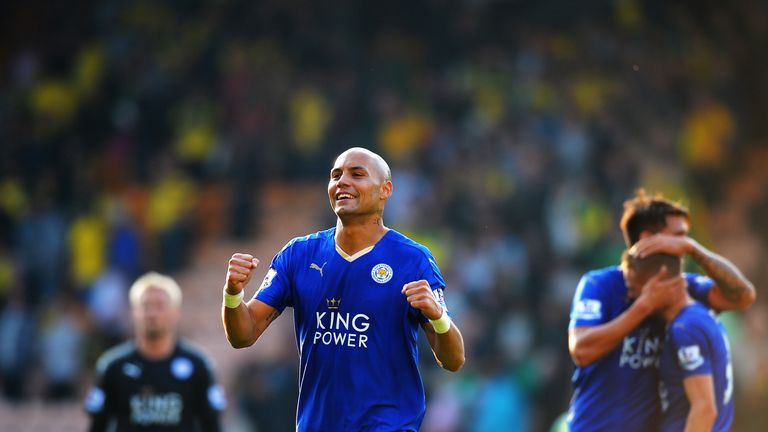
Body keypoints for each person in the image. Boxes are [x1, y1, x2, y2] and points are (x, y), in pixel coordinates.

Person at [221, 147, 465, 431]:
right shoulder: (299, 254)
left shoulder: (413, 260)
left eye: (357, 174)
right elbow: (243, 334)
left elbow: (454, 359)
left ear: (385, 189)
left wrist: (437, 316)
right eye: (336, 175)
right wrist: (233, 294)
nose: (342, 182)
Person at [567, 189, 754, 431]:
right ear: (647, 238)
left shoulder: (682, 288)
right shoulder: (600, 285)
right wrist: (644, 306)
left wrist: (696, 250)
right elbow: (581, 350)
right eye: (678, 236)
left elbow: (743, 296)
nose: (683, 244)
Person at [84, 272, 226, 432]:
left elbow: (212, 425)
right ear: (134, 312)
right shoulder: (113, 366)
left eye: (160, 306)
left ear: (176, 312)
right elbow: (97, 425)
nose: (152, 313)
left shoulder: (197, 365)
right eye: (146, 306)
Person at [625, 252, 734, 432]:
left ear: (661, 282)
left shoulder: (685, 328)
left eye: (636, 289)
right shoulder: (701, 315)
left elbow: (704, 410)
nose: (631, 297)